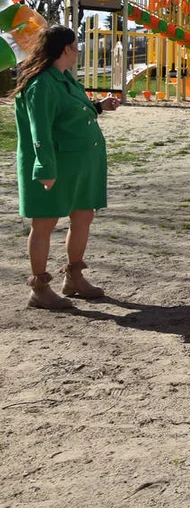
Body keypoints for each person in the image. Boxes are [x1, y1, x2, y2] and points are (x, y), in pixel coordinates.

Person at [14, 25, 122, 309]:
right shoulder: (40, 84)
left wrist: (98, 106)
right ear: (66, 49)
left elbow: (70, 113)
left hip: (79, 165)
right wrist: (45, 169)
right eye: (76, 47)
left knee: (83, 216)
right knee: (44, 224)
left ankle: (74, 277)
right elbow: (40, 131)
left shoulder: (65, 78)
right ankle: (39, 288)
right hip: (54, 166)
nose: (78, 52)